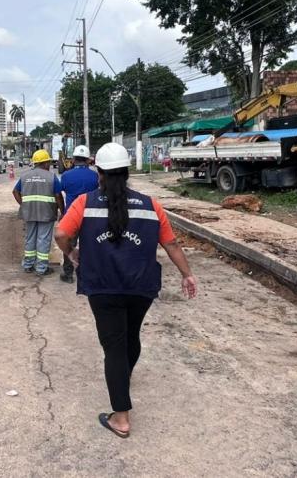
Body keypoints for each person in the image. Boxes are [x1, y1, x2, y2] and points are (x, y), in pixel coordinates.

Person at [54, 142, 198, 439]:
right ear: (127, 172)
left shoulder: (84, 203)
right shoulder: (151, 204)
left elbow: (60, 233)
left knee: (114, 349)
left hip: (102, 287)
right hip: (140, 286)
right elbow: (170, 244)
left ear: (100, 173)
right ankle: (123, 377)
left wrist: (71, 253)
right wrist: (187, 274)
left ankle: (121, 418)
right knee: (130, 337)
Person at [13, 149, 65, 276]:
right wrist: (62, 211)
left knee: (30, 238)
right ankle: (41, 268)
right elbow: (58, 196)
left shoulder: (25, 176)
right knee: (43, 239)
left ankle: (28, 265)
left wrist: (24, 205)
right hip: (46, 212)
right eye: (48, 162)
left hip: (29, 212)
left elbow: (15, 191)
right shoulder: (51, 177)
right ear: (45, 163)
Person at [58, 145, 99, 284]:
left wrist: (62, 212)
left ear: (74, 159)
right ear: (88, 160)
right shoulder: (95, 176)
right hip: (91, 214)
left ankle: (68, 274)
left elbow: (59, 192)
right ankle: (89, 272)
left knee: (69, 244)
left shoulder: (66, 175)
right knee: (91, 244)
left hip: (72, 215)